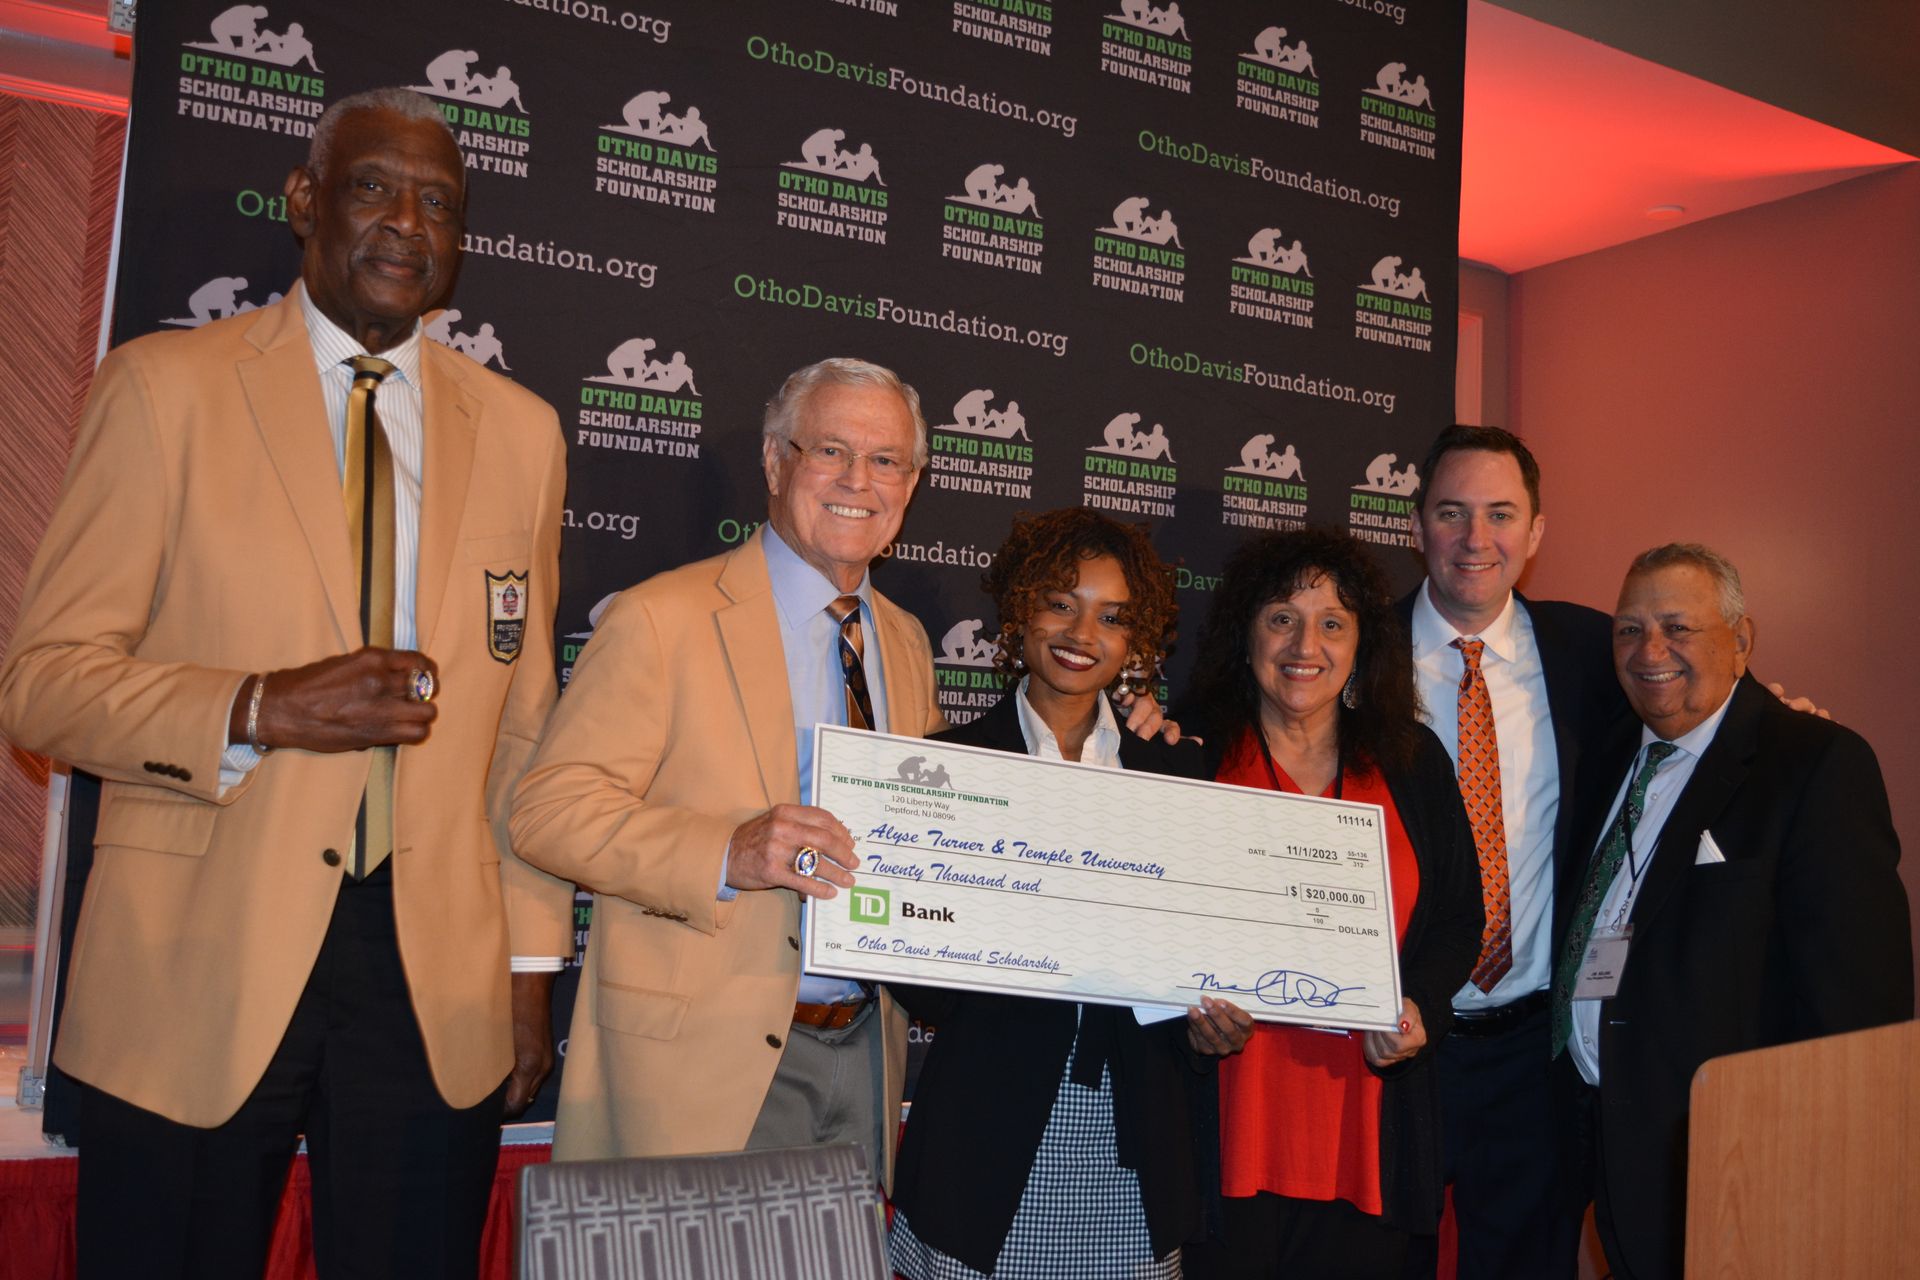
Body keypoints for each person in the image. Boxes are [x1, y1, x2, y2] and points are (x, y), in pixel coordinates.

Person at [0, 88, 573, 1279]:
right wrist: (258, 706)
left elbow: (522, 734)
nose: (407, 222)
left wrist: (526, 969)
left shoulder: (523, 434)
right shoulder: (165, 389)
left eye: (439, 202)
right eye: (374, 186)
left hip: (433, 982)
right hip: (194, 958)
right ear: (307, 199)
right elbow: (44, 685)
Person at [507, 358, 941, 1186]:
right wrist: (726, 853)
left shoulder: (908, 642)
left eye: (887, 461)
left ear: (912, 484)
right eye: (831, 452)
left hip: (866, 1052)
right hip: (697, 1062)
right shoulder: (660, 618)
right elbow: (547, 811)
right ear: (777, 463)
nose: (860, 480)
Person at [888, 508, 1253, 1279]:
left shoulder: (1175, 774)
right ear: (1019, 611)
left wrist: (1207, 1027)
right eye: (1062, 602)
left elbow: (1192, 972)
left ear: (1137, 643)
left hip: (1134, 1145)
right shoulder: (943, 769)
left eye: (1113, 617)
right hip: (983, 1145)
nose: (1083, 632)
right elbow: (920, 984)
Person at [1552, 544, 1911, 1280]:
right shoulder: (1606, 752)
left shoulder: (1813, 763)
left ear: (1741, 640)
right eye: (1628, 629)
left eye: (1678, 628)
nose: (1650, 651)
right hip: (1601, 1140)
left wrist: (1823, 1177)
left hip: (1737, 1157)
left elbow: (1862, 1007)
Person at [1181, 529, 1483, 1279]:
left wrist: (1420, 1010)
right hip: (1227, 1128)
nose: (1303, 644)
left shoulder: (1413, 762)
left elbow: (1456, 918)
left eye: (1332, 623)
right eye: (1281, 617)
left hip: (1368, 1140)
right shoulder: (1187, 754)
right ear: (1246, 631)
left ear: (1360, 646)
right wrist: (1182, 1012)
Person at [1397, 425, 1624, 1280]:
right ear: (1416, 524)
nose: (1475, 538)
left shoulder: (1594, 654)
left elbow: (1707, 702)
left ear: (1535, 534)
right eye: (1452, 512)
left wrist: (1786, 720)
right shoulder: (1349, 653)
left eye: (1500, 514)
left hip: (1536, 1051)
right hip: (1396, 1041)